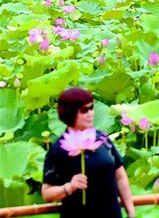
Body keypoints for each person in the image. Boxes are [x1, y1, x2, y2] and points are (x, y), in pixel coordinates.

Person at [41, 88, 135, 218]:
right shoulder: (58, 150)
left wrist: (130, 210)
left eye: (91, 108)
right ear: (70, 113)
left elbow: (120, 176)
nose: (90, 113)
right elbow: (47, 193)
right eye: (84, 110)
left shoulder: (102, 139)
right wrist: (69, 187)